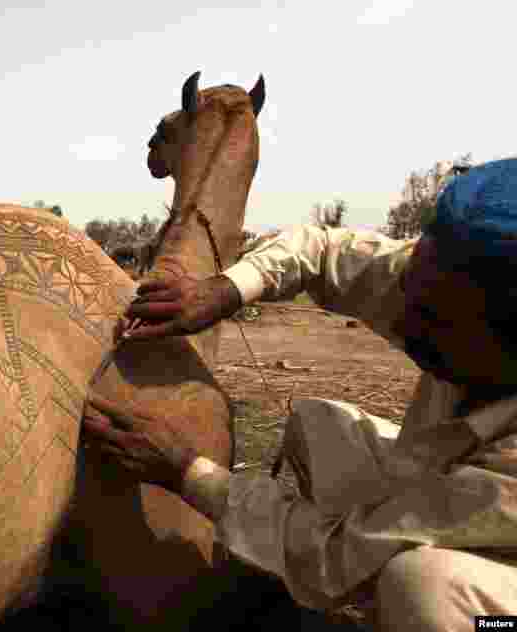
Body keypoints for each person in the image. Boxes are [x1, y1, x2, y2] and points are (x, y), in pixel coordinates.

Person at [81, 158, 517, 631]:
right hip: (452, 493)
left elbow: (340, 551)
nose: (403, 320)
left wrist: (187, 472)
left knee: (425, 587)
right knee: (320, 429)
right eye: (408, 288)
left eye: (432, 320)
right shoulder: (449, 279)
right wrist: (225, 291)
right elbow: (321, 248)